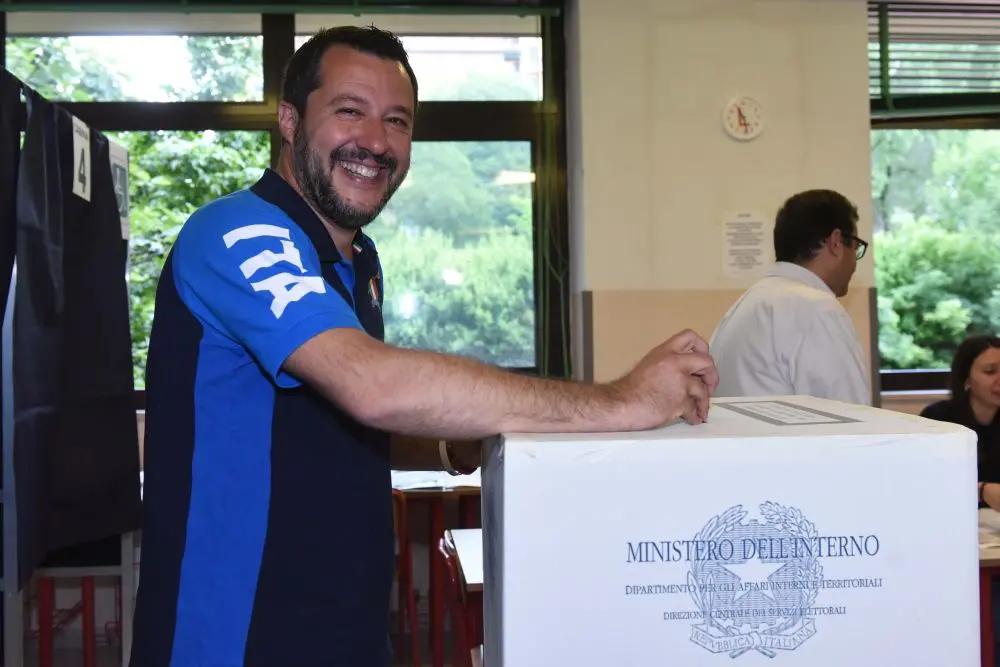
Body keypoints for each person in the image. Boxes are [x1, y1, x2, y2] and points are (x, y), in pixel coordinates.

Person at [128, 25, 719, 667]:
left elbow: (324, 421)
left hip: (345, 632)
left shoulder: (357, 262)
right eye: (349, 111)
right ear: (290, 121)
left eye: (397, 120)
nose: (376, 141)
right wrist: (622, 402)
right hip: (232, 640)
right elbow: (371, 386)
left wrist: (449, 443)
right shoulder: (240, 233)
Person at [708, 189, 870, 405]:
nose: (855, 262)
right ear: (836, 242)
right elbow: (853, 416)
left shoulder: (745, 304)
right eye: (856, 247)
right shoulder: (818, 310)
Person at [920, 335, 1000, 508]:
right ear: (966, 379)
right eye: (990, 371)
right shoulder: (938, 419)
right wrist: (981, 491)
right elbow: (925, 482)